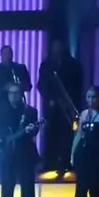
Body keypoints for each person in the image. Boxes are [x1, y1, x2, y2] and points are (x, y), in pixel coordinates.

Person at [0, 82, 40, 197]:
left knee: (27, 184)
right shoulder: (1, 111)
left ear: (21, 94)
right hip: (7, 153)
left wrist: (32, 130)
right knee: (7, 183)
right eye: (11, 93)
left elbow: (35, 131)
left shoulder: (30, 112)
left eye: (16, 93)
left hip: (25, 153)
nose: (13, 96)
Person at [37, 38, 83, 176]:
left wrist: (70, 100)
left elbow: (78, 84)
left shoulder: (73, 64)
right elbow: (41, 85)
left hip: (67, 105)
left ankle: (65, 162)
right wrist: (50, 98)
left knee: (66, 134)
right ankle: (49, 162)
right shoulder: (46, 65)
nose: (57, 49)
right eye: (54, 46)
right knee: (50, 133)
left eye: (59, 46)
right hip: (51, 106)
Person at [0, 45, 32, 121]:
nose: (8, 56)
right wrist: (5, 87)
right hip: (0, 108)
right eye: (5, 54)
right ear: (1, 55)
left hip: (17, 108)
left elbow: (29, 86)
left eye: (10, 53)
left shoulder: (21, 68)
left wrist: (18, 87)